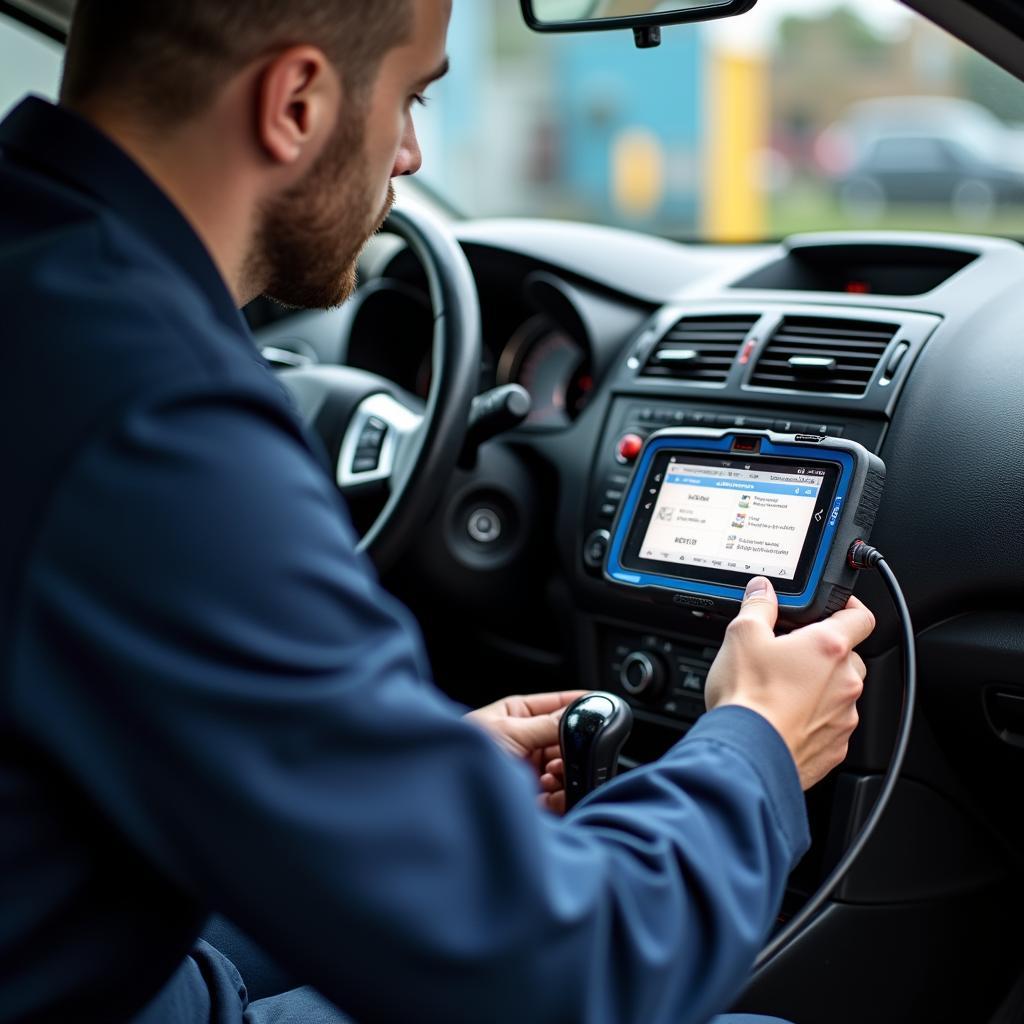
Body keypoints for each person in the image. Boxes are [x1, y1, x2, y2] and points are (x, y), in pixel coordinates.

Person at [0, 1, 873, 1022]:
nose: (412, 152)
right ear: (296, 101)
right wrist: (756, 742)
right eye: (412, 96)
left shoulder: (43, 284)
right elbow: (565, 967)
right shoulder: (154, 419)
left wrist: (410, 782)